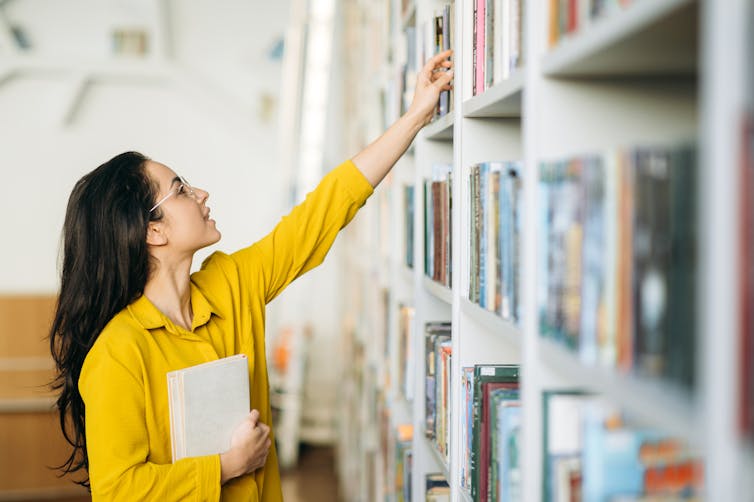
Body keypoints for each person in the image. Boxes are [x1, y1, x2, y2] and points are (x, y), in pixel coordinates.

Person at [49, 50, 453, 501]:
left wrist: (416, 115)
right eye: (181, 190)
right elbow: (118, 491)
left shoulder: (230, 284)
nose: (201, 193)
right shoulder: (118, 352)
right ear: (153, 231)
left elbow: (323, 211)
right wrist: (226, 467)